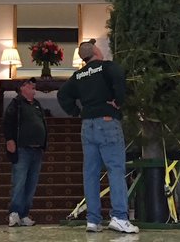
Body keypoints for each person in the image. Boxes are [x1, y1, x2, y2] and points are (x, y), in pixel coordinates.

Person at [57, 40, 139, 234]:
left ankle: (93, 220)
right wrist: (119, 101)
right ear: (95, 51)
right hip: (108, 121)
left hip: (87, 125)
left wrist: (75, 111)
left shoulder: (79, 75)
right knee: (115, 170)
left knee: (90, 174)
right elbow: (120, 77)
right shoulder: (106, 67)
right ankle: (119, 217)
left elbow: (62, 94)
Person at [3, 77, 48, 227]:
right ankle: (14, 212)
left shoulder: (36, 104)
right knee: (20, 181)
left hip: (37, 149)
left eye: (34, 88)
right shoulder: (16, 104)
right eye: (30, 87)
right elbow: (8, 122)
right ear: (22, 88)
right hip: (22, 148)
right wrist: (10, 140)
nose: (33, 90)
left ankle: (24, 213)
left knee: (31, 183)